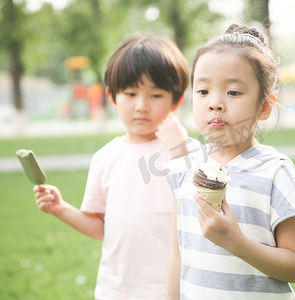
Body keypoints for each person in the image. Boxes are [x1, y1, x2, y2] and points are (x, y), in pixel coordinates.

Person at [163, 24, 295, 299]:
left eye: (233, 92)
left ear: (264, 106)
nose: (215, 103)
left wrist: (236, 243)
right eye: (202, 91)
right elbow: (178, 255)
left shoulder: (275, 171)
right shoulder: (184, 169)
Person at [33, 35, 189, 299]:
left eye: (156, 94)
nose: (142, 106)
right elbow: (102, 228)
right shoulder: (106, 158)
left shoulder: (185, 153)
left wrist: (179, 150)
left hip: (176, 289)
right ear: (112, 96)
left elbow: (197, 208)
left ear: (177, 100)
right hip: (118, 289)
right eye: (130, 93)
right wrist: (60, 209)